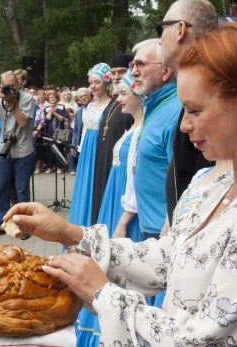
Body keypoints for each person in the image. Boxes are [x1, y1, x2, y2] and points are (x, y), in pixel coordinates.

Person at [3, 22, 237, 346]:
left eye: (194, 110)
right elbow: (168, 260)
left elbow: (202, 341)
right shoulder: (220, 181)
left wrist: (103, 294)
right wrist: (70, 233)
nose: (184, 124)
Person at [75, 71, 145, 347]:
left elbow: (139, 178)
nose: (119, 98)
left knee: (116, 268)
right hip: (113, 199)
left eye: (125, 93)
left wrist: (125, 218)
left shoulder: (141, 131)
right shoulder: (133, 127)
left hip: (122, 204)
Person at [158, 0, 218, 226]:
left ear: (180, 29)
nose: (185, 124)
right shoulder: (195, 81)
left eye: (161, 28)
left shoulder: (216, 82)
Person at [131, 39, 181, 240]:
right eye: (133, 65)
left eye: (141, 64)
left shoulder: (176, 111)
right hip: (149, 225)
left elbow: (182, 178)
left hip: (163, 231)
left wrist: (168, 231)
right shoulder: (155, 105)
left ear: (166, 70)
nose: (134, 71)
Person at [0, 72, 36, 238]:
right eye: (6, 85)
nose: (10, 88)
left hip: (23, 150)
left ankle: (24, 226)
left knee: (22, 190)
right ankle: (2, 224)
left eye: (13, 85)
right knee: (2, 189)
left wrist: (11, 103)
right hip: (5, 150)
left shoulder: (27, 99)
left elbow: (22, 122)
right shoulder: (0, 99)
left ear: (19, 84)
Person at [91, 54, 134, 224]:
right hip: (102, 165)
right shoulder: (114, 101)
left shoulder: (131, 105)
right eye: (114, 73)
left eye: (122, 72)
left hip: (117, 170)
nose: (116, 77)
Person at [68, 63, 113, 227]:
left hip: (99, 149)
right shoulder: (91, 106)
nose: (93, 86)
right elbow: (85, 129)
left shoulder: (112, 106)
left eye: (97, 82)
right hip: (87, 150)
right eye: (91, 82)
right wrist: (79, 147)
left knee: (96, 186)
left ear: (107, 83)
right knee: (84, 188)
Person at [70, 88, 90, 175]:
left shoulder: (95, 109)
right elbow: (76, 130)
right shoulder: (78, 111)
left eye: (85, 95)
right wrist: (73, 145)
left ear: (90, 96)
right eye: (81, 96)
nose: (83, 98)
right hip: (81, 143)